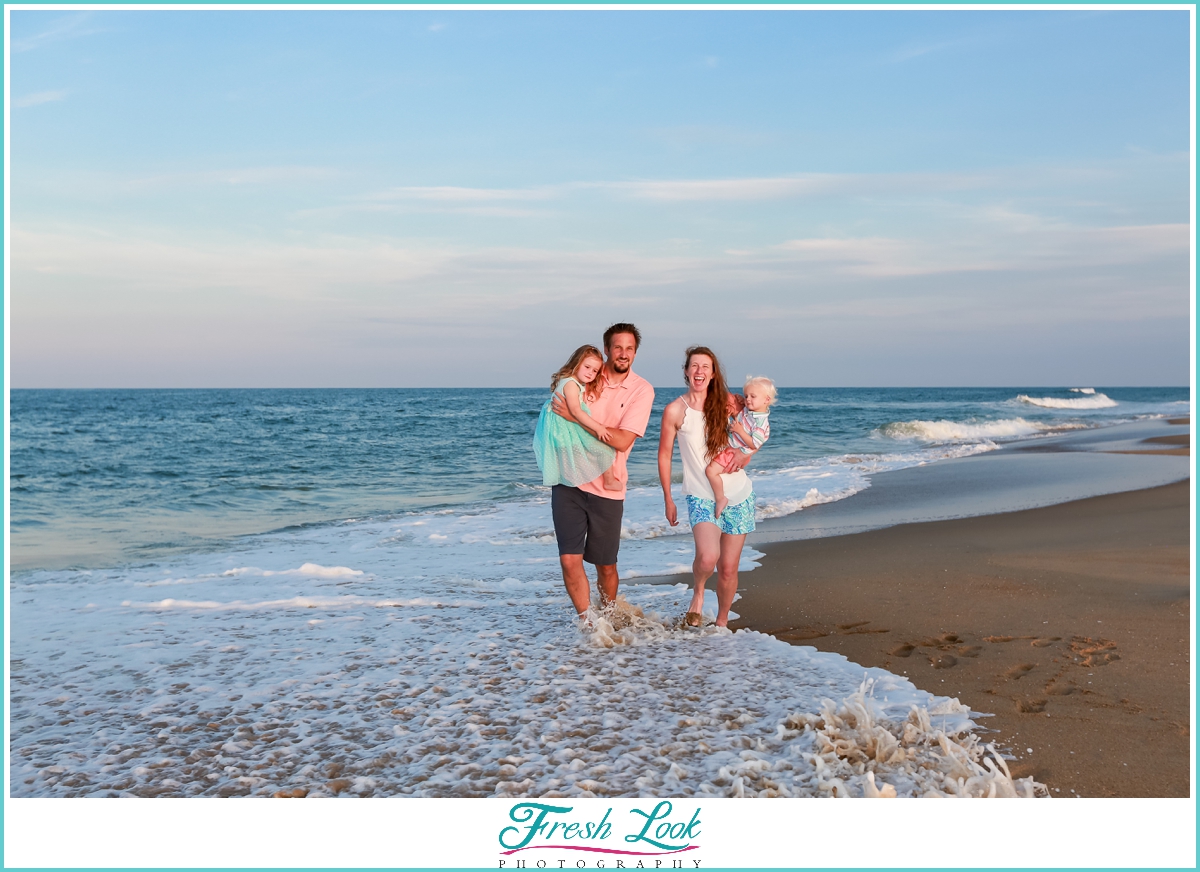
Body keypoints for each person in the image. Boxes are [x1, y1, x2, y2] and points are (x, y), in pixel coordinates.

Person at [547, 324, 655, 624]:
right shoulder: (587, 376)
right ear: (607, 349)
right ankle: (589, 625)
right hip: (569, 480)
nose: (623, 354)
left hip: (609, 488)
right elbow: (558, 411)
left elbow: (622, 441)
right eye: (617, 347)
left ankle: (608, 614)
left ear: (635, 352)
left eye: (629, 348)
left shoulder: (641, 390)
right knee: (569, 560)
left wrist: (576, 419)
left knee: (606, 566)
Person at [657, 346, 756, 628]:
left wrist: (746, 455)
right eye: (694, 366)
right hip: (701, 495)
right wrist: (668, 498)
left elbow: (756, 435)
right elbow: (664, 455)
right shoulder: (676, 410)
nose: (699, 371)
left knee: (727, 568)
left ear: (713, 374)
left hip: (738, 495)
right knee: (708, 558)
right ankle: (698, 591)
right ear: (686, 371)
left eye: (705, 367)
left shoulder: (728, 403)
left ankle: (722, 623)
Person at [532, 344, 620, 491]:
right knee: (603, 447)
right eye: (587, 367)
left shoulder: (568, 381)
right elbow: (576, 412)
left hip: (558, 431)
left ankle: (570, 483)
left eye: (595, 370)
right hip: (565, 428)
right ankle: (609, 481)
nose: (590, 373)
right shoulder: (571, 385)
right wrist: (598, 428)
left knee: (570, 458)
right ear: (577, 363)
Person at [705, 376, 775, 517]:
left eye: (752, 396)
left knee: (711, 471)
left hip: (737, 452)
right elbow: (741, 410)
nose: (748, 399)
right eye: (746, 395)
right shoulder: (752, 412)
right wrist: (742, 401)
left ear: (766, 400)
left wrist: (740, 431)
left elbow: (755, 443)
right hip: (732, 445)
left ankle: (720, 498)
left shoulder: (761, 423)